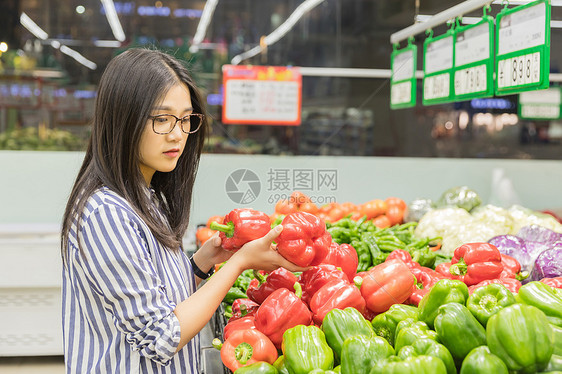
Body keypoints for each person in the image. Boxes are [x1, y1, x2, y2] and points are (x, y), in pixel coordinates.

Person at [60, 48, 305, 373]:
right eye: (162, 119)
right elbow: (161, 335)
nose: (178, 134)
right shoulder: (105, 212)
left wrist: (203, 262)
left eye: (186, 118)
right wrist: (240, 264)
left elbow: (152, 298)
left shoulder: (144, 195)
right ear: (124, 117)